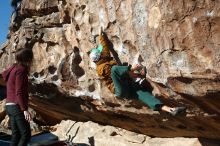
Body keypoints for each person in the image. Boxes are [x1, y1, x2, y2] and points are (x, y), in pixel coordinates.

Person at [89, 29, 186, 116]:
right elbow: (117, 72)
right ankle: (136, 71)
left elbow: (104, 47)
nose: (102, 52)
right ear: (100, 56)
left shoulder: (102, 57)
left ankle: (170, 110)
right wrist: (132, 68)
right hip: (119, 89)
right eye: (101, 53)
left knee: (145, 96)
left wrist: (100, 35)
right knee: (116, 69)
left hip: (128, 87)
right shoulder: (101, 68)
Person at [2, 48, 33, 146]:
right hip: (16, 107)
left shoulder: (13, 69)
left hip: (9, 106)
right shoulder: (21, 70)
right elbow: (18, 91)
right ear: (27, 58)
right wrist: (24, 109)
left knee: (16, 135)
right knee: (26, 135)